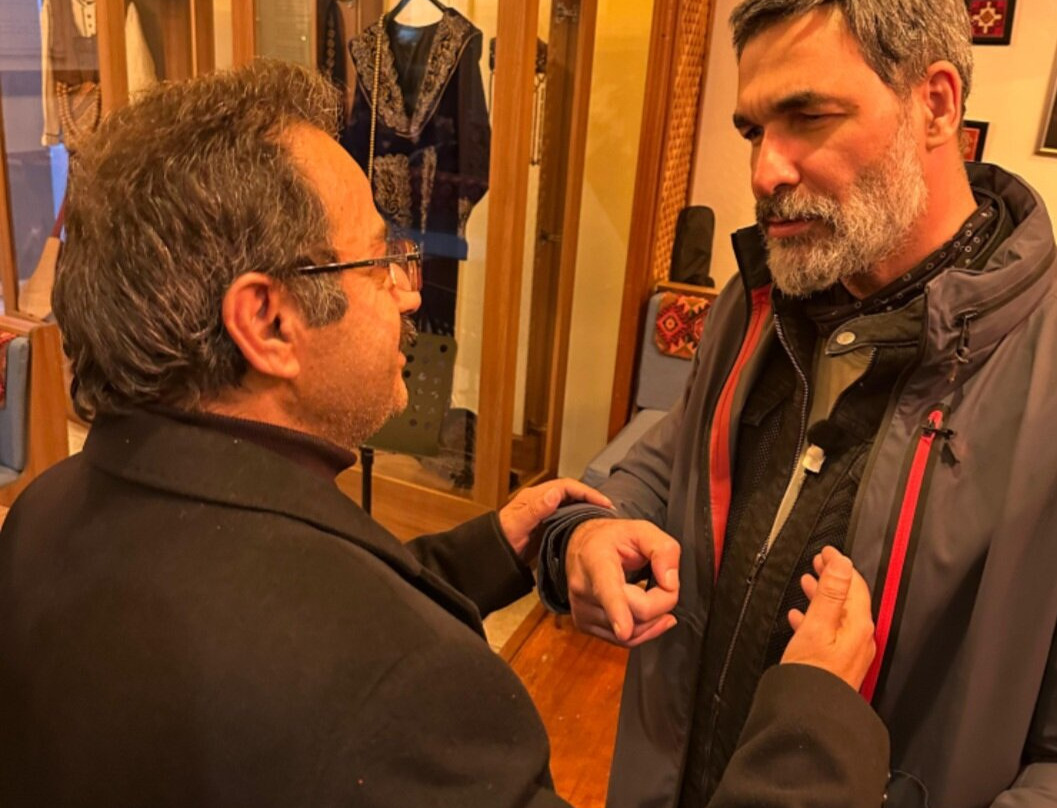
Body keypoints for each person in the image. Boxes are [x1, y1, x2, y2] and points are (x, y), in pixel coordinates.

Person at [0, 60, 886, 807]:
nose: (410, 289)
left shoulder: (45, 513)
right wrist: (812, 725)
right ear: (267, 323)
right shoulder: (416, 695)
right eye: (379, 258)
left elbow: (263, 619)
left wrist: (487, 550)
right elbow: (331, 668)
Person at [537, 0, 1057, 806]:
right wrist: (588, 529)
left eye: (807, 117)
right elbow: (671, 459)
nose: (763, 173)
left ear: (935, 103)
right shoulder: (757, 301)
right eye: (752, 131)